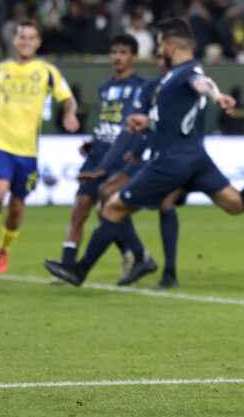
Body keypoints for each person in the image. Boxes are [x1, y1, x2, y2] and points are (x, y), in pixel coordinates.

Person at [44, 18, 244, 287]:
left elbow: (202, 84)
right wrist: (148, 122)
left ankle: (81, 270)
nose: (158, 50)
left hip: (170, 161)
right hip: (195, 157)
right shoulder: (172, 78)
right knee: (236, 203)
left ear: (170, 45)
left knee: (114, 206)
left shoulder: (187, 72)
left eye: (159, 44)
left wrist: (216, 96)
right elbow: (177, 113)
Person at [0, 20, 80, 273]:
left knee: (17, 207)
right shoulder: (2, 69)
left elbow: (69, 99)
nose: (26, 42)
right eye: (22, 37)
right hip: (0, 143)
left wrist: (69, 114)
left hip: (28, 151)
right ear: (14, 40)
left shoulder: (46, 71)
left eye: (31, 38)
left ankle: (4, 251)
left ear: (38, 42)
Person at [77, 51, 184, 288]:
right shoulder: (152, 88)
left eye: (166, 61)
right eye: (160, 60)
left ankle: (161, 268)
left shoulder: (184, 86)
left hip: (184, 158)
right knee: (105, 200)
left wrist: (135, 153)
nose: (162, 65)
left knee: (233, 202)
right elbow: (137, 126)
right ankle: (140, 257)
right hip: (156, 159)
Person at [57, 34, 149, 273]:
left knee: (108, 207)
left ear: (134, 57)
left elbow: (136, 126)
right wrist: (93, 143)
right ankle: (67, 265)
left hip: (121, 157)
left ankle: (136, 254)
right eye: (114, 52)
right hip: (98, 155)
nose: (117, 57)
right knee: (80, 206)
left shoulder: (142, 88)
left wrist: (136, 152)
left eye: (123, 52)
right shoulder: (105, 88)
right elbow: (108, 121)